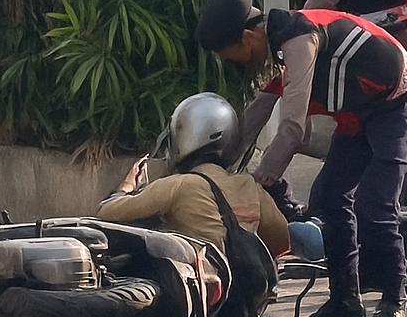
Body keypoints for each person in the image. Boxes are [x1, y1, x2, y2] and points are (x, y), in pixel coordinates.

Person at [197, 0, 407, 317]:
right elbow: (255, 116)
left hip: (396, 105)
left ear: (247, 37)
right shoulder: (281, 48)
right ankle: (345, 305)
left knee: (376, 204)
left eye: (232, 56)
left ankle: (394, 298)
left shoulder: (299, 40)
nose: (235, 64)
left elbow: (293, 129)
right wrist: (215, 172)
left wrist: (261, 178)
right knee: (328, 198)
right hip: (359, 116)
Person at [96, 93, 291, 259]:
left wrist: (126, 187)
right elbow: (281, 240)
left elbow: (106, 214)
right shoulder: (250, 186)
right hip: (247, 285)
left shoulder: (179, 185)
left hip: (203, 283)